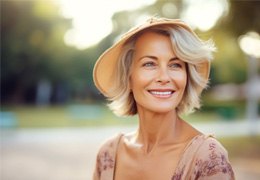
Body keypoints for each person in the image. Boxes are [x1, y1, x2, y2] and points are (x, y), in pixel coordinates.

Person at [92, 17, 235, 180]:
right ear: (128, 78)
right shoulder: (108, 154)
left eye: (175, 65)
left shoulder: (208, 158)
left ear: (187, 77)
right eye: (149, 64)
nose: (164, 77)